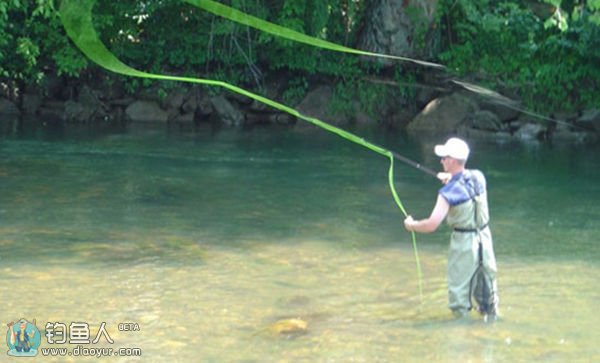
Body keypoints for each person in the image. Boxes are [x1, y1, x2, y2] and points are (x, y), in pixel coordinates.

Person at [403, 137, 499, 321]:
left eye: (444, 158)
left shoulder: (447, 194)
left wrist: (412, 225)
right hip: (485, 241)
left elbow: (431, 225)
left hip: (464, 245)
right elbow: (465, 180)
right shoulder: (479, 177)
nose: (441, 161)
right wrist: (453, 178)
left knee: (459, 299)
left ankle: (460, 337)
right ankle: (488, 336)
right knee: (489, 294)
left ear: (452, 161)